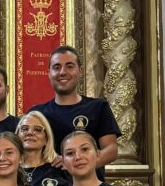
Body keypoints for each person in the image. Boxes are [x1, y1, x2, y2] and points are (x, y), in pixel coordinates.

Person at [29, 46, 120, 177]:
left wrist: (75, 165)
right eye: (56, 67)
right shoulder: (37, 113)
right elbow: (27, 154)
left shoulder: (98, 107)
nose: (62, 72)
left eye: (69, 66)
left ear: (80, 71)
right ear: (48, 73)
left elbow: (111, 150)